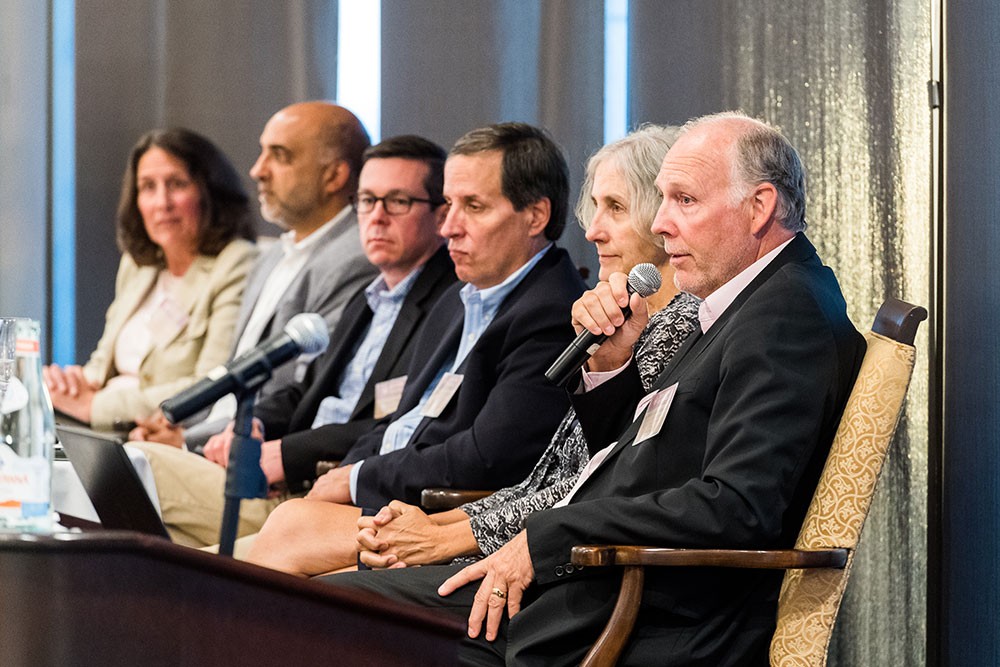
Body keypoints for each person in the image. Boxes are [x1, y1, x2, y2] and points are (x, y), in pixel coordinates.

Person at [330, 112, 868, 666]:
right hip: (587, 586)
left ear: (759, 207)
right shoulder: (740, 301)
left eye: (684, 200)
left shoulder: (783, 316)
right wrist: (613, 365)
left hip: (634, 613)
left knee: (321, 617)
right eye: (660, 200)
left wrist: (545, 541)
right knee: (314, 603)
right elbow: (636, 454)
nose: (660, 224)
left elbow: (735, 507)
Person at [245, 125, 701, 576]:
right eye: (595, 208)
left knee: (286, 552)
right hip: (493, 523)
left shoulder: (584, 315)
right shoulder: (462, 300)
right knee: (274, 546)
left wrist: (444, 531)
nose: (594, 231)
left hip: (550, 559)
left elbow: (570, 482)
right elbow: (547, 482)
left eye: (616, 209)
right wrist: (435, 523)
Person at [129, 135, 457, 547]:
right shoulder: (369, 296)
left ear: (441, 215)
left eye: (397, 202)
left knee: (137, 464)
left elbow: (400, 423)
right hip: (285, 480)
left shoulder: (451, 302)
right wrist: (253, 423)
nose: (376, 217)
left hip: (333, 491)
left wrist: (285, 453)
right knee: (151, 533)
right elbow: (306, 389)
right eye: (367, 201)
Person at [129, 101, 379, 450]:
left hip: (254, 453)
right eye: (263, 153)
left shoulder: (357, 258)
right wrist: (173, 424)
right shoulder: (272, 254)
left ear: (334, 176)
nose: (257, 170)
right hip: (209, 435)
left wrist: (187, 440)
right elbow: (232, 373)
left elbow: (296, 391)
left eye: (280, 156)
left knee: (121, 465)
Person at [43, 128, 258, 431]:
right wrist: (69, 385)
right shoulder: (139, 264)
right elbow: (103, 362)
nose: (162, 202)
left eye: (177, 184)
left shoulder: (236, 262)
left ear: (210, 191)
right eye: (148, 187)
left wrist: (96, 406)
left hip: (161, 434)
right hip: (103, 427)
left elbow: (211, 384)